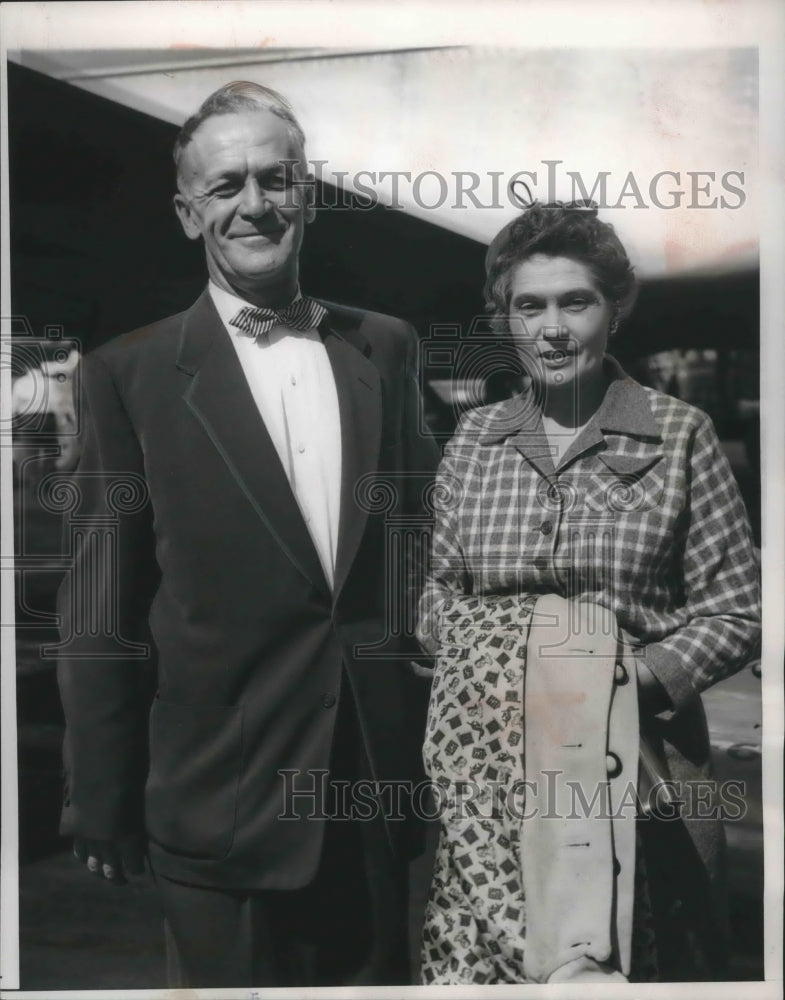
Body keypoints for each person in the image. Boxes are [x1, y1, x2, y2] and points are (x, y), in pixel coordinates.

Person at [56, 81, 438, 988]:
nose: (254, 205)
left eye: (276, 179)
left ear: (306, 195)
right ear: (189, 214)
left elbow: (420, 548)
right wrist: (101, 793)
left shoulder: (385, 347)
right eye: (226, 187)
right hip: (214, 793)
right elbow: (101, 604)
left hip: (368, 786)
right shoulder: (127, 372)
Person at [416, 202, 761, 984]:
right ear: (502, 318)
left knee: (637, 960)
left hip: (642, 772)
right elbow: (436, 589)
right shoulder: (475, 439)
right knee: (501, 967)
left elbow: (737, 609)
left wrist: (619, 679)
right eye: (528, 305)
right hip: (493, 777)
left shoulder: (679, 434)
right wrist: (492, 661)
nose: (552, 328)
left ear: (616, 306)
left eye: (576, 301)